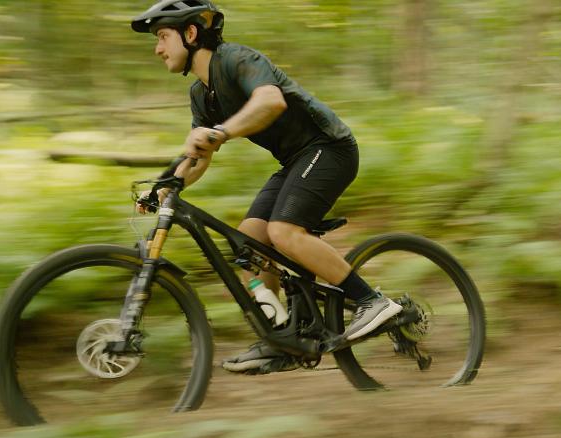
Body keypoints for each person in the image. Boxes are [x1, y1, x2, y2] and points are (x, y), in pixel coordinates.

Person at [131, 0, 400, 373]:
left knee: (283, 231)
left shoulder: (236, 59)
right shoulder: (201, 94)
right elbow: (200, 155)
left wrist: (221, 131)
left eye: (162, 36)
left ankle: (372, 301)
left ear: (190, 34)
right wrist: (168, 186)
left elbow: (269, 101)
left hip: (329, 148)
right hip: (295, 161)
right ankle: (281, 338)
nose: (157, 48)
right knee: (249, 245)